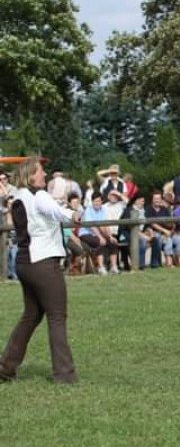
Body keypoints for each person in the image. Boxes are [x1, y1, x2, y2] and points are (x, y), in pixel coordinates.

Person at [0, 157, 81, 383]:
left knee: (31, 315)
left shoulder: (17, 196)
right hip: (43, 263)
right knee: (57, 317)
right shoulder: (39, 195)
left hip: (25, 263)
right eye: (41, 171)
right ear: (30, 175)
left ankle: (5, 367)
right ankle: (64, 374)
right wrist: (71, 215)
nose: (44, 174)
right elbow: (53, 210)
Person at [79, 191, 120, 275]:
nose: (97, 203)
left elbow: (104, 225)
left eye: (99, 201)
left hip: (97, 233)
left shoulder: (102, 210)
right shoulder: (88, 210)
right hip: (86, 233)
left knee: (113, 243)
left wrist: (110, 236)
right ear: (92, 201)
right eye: (95, 201)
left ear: (101, 202)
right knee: (100, 242)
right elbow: (92, 226)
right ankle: (101, 267)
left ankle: (113, 266)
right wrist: (101, 237)